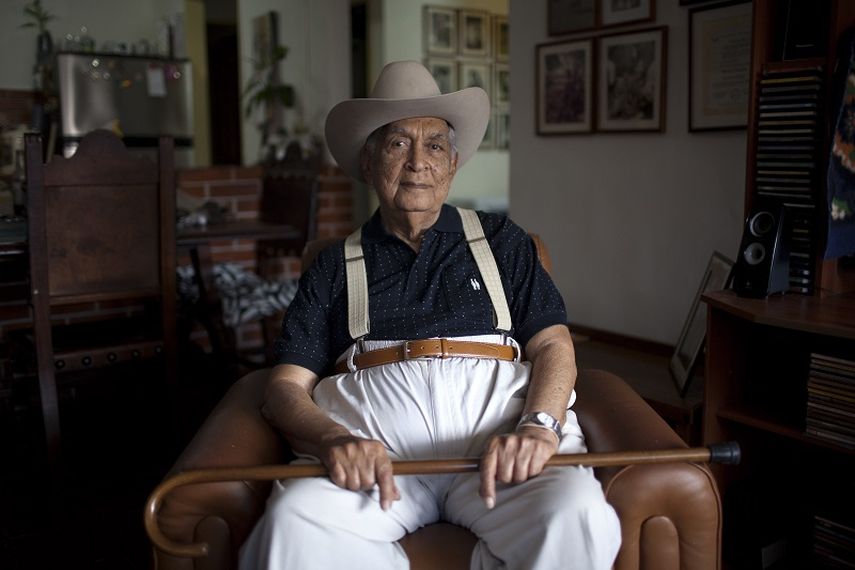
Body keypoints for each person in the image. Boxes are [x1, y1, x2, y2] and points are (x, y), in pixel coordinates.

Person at [239, 60, 621, 569]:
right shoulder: (333, 266)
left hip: (501, 450)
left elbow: (553, 345)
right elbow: (284, 387)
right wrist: (334, 438)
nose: (418, 161)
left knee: (576, 511)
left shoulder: (502, 241)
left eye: (435, 145)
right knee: (294, 521)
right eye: (398, 144)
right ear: (370, 162)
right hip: (375, 465)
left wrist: (539, 425)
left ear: (453, 162)